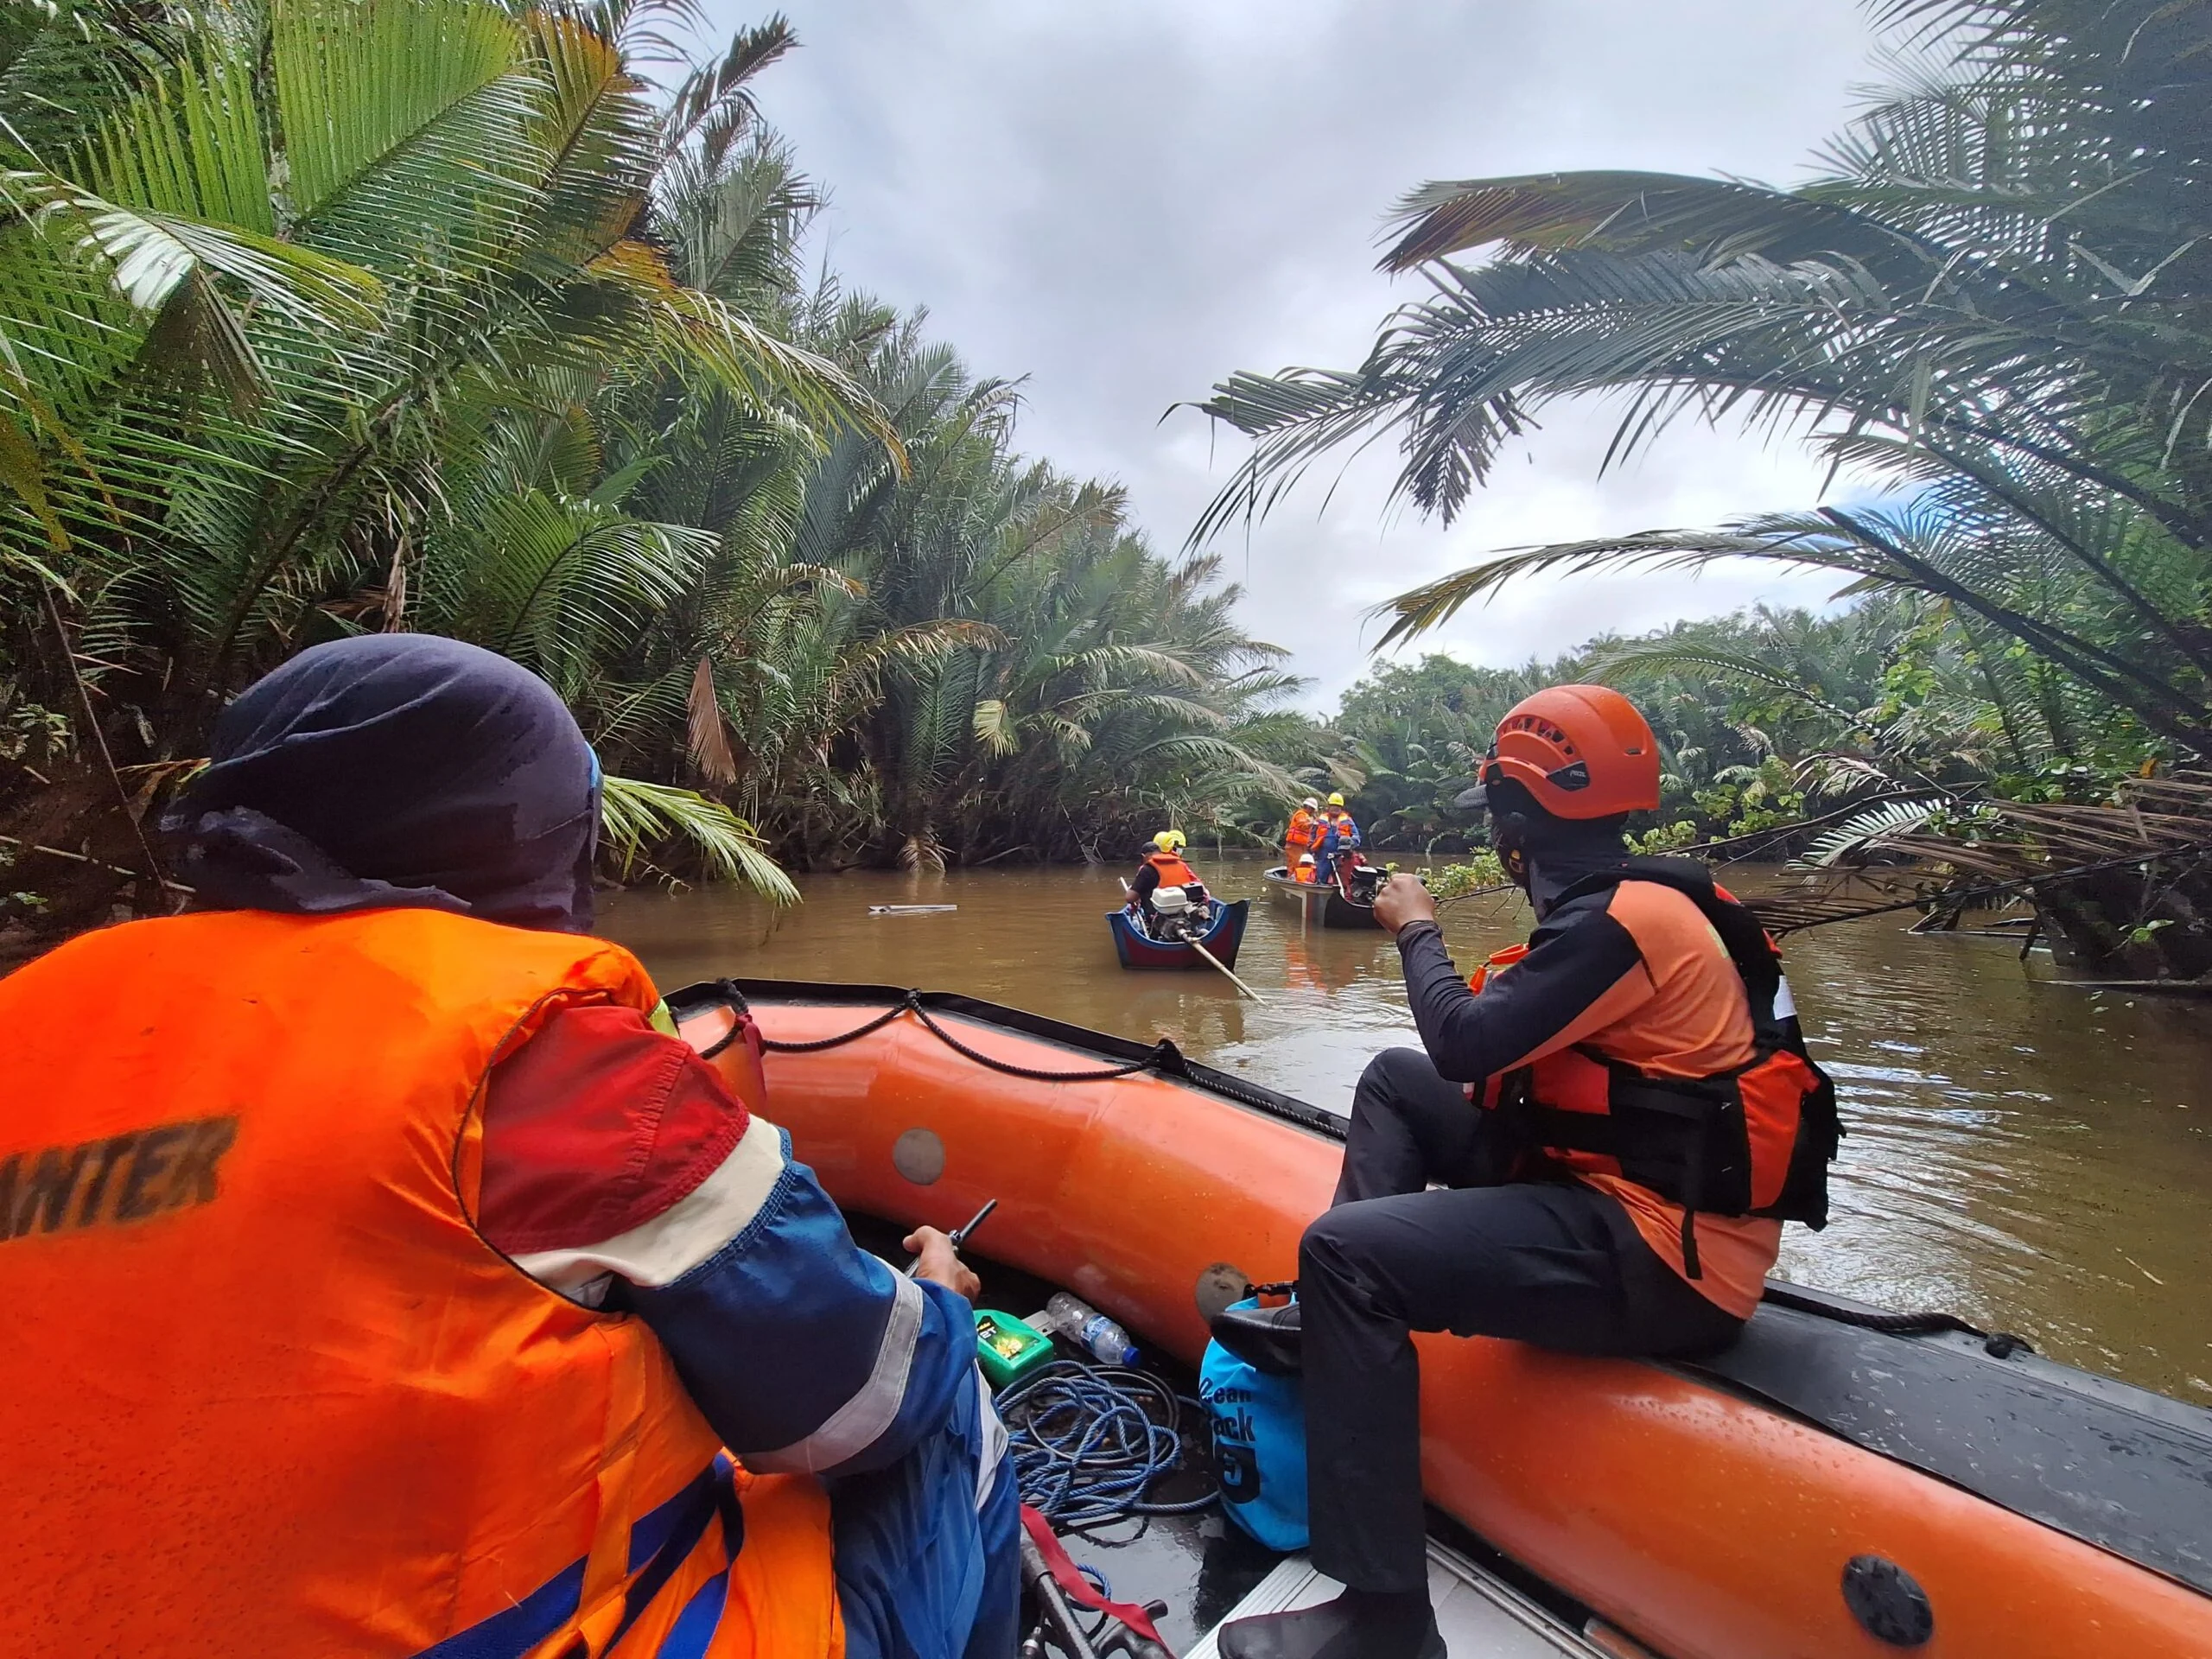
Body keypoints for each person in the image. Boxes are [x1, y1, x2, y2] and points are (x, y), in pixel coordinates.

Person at [0, 635, 1019, 1659]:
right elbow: (854, 1403)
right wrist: (940, 1300)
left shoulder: (35, 1009)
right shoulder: (542, 1052)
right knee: (950, 1399)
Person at [1219, 685, 1837, 1659]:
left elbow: (1466, 1044)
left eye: (1499, 819)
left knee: (1345, 1255)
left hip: (1665, 1260)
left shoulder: (1618, 926)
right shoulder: (1636, 905)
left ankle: (1383, 1619)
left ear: (1518, 826)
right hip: (1606, 1191)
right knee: (1391, 1078)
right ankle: (1321, 1334)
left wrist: (1416, 928)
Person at [1130, 829, 1205, 931]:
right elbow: (1199, 887)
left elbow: (1132, 897)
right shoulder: (1181, 864)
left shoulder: (1146, 868)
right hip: (1182, 912)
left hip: (1156, 913)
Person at [1314, 791, 1362, 886]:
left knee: (1341, 880)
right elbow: (1311, 835)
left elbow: (1356, 837)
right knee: (1321, 878)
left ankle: (1340, 895)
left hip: (1341, 855)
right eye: (1333, 805)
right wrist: (1311, 849)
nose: (1335, 808)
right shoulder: (1320, 820)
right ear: (1329, 806)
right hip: (1323, 855)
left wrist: (1349, 844)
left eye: (1338, 806)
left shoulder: (1348, 821)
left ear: (1341, 808)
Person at [1284, 797, 1321, 872]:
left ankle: (1301, 878)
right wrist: (1313, 823)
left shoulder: (1307, 817)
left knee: (1302, 864)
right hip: (1294, 845)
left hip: (1302, 845)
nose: (1313, 812)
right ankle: (1292, 879)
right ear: (1308, 807)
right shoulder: (1300, 814)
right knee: (1295, 864)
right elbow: (1302, 825)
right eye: (1313, 810)